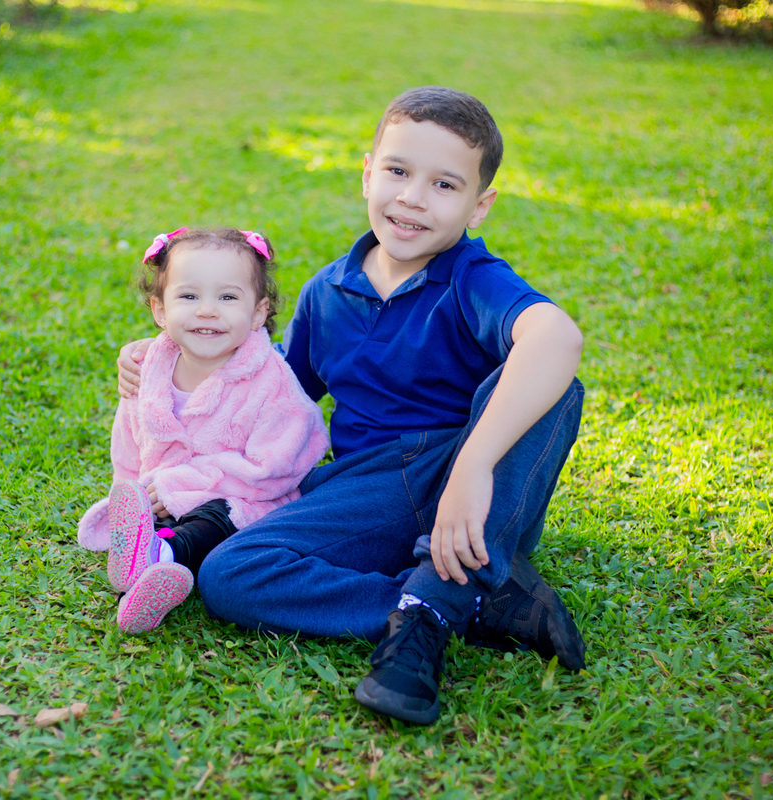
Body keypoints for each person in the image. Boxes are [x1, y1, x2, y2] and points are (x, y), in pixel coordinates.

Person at [118, 87, 586, 725]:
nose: (413, 197)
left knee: (554, 385)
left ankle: (422, 623)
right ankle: (468, 601)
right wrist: (167, 363)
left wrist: (473, 469)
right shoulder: (327, 291)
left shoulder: (473, 280)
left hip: (476, 494)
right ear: (367, 172)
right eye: (397, 171)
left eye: (444, 185)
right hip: (366, 489)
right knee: (231, 573)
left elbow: (558, 337)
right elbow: (269, 393)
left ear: (480, 207)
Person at [80, 227, 329, 634]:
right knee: (162, 520)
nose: (207, 310)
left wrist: (180, 483)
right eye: (189, 296)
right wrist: (134, 493)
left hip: (242, 501)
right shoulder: (150, 371)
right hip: (164, 503)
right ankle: (144, 556)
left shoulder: (271, 383)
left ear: (258, 312)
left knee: (216, 521)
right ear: (160, 310)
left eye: (227, 297)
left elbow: (275, 467)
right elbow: (129, 444)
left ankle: (162, 556)